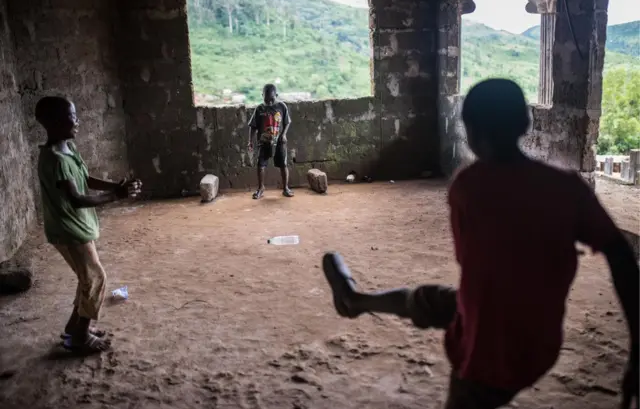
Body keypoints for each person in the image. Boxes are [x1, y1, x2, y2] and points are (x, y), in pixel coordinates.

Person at [322, 79, 639, 409]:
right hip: (538, 339)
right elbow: (621, 255)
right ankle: (356, 301)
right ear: (525, 124)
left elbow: (474, 267)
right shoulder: (566, 188)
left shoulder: (469, 188)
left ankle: (355, 302)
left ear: (471, 132)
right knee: (430, 300)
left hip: (491, 352)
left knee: (458, 345)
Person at [35, 96, 142, 354]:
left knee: (87, 278)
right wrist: (116, 196)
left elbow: (85, 179)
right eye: (71, 117)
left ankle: (75, 327)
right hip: (68, 229)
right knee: (95, 278)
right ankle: (80, 337)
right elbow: (77, 199)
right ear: (53, 122)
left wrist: (115, 186)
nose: (77, 121)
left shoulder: (68, 150)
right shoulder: (56, 160)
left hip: (76, 227)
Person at [247, 84, 293, 199]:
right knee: (261, 165)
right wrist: (250, 141)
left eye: (272, 100)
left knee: (283, 164)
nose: (269, 103)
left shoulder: (282, 107)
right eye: (266, 100)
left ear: (276, 95)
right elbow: (252, 126)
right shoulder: (259, 109)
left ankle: (285, 188)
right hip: (264, 142)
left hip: (279, 142)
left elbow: (287, 122)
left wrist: (284, 134)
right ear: (262, 96)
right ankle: (261, 188)